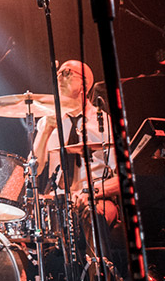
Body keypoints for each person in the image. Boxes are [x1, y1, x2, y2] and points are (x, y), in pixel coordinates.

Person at [31, 60, 122, 275]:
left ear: (85, 84)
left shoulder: (105, 123)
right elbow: (34, 171)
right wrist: (45, 132)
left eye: (67, 72)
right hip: (57, 202)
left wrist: (92, 192)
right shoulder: (46, 121)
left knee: (91, 213)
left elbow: (123, 178)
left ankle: (99, 275)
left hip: (98, 199)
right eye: (59, 72)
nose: (60, 76)